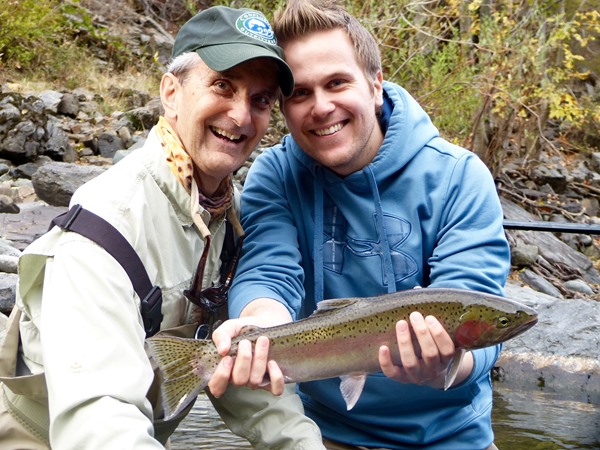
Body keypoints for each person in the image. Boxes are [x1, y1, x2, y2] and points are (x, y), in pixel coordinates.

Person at [0, 6, 325, 449]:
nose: (241, 116)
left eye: (260, 100)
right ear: (171, 92)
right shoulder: (103, 231)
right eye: (222, 86)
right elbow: (99, 424)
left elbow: (242, 368)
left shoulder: (229, 220)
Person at [208, 1, 511, 449]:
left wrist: (448, 365)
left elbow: (478, 317)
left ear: (375, 84)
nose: (321, 107)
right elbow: (268, 271)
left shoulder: (458, 176)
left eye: (336, 83)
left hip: (452, 437)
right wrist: (257, 326)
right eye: (300, 93)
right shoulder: (275, 174)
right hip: (319, 434)